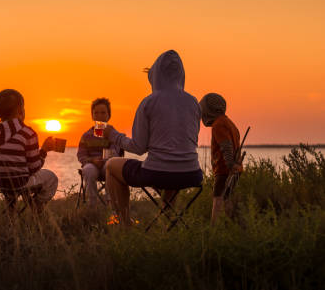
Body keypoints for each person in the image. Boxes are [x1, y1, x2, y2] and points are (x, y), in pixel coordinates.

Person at [103, 50, 203, 225]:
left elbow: (138, 148)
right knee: (171, 170)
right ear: (181, 75)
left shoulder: (149, 102)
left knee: (111, 165)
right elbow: (189, 141)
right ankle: (167, 224)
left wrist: (114, 136)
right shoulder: (193, 102)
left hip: (157, 174)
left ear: (156, 76)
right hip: (191, 174)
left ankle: (125, 225)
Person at [0, 89, 59, 212]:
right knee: (51, 178)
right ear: (20, 110)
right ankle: (36, 206)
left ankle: (11, 213)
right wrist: (44, 151)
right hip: (18, 182)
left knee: (14, 174)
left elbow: (7, 157)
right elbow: (34, 168)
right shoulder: (28, 133)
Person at [199, 93, 243, 225]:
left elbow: (226, 146)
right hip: (235, 169)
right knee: (227, 198)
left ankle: (215, 229)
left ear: (209, 110)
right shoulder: (230, 123)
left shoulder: (219, 125)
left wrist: (230, 165)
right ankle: (231, 225)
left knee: (217, 199)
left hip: (225, 170)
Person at [77, 98, 124, 207]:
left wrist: (103, 161)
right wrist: (92, 160)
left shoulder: (113, 134)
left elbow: (115, 153)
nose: (99, 116)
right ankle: (92, 204)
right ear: (92, 115)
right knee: (88, 170)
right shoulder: (86, 135)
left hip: (107, 165)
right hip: (92, 165)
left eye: (103, 113)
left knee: (110, 167)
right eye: (96, 113)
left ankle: (111, 203)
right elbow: (81, 155)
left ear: (109, 115)